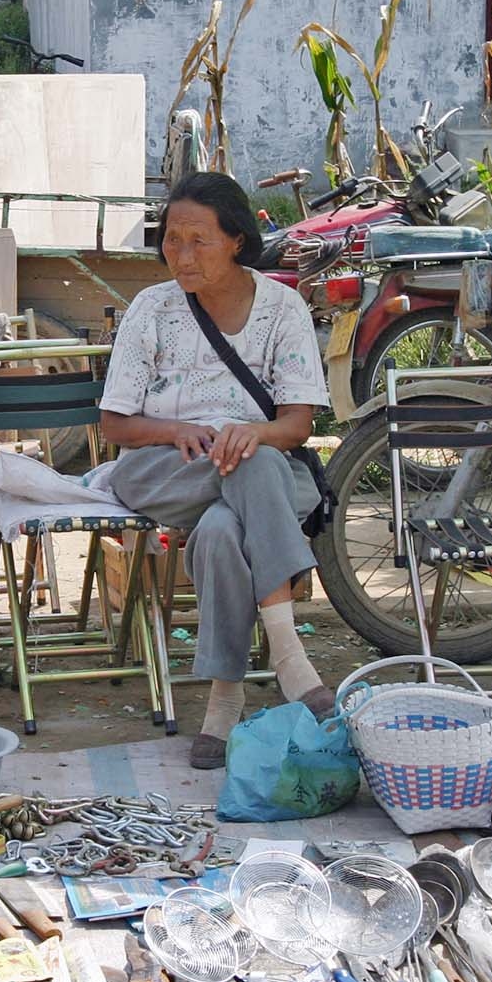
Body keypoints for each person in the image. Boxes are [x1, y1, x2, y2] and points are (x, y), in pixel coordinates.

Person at [99, 171, 333, 771]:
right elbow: (116, 426)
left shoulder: (283, 308)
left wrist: (249, 434)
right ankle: (289, 656)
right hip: (164, 471)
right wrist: (177, 430)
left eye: (198, 239)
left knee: (225, 530)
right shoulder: (151, 310)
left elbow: (297, 425)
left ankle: (223, 703)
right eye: (172, 240)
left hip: (264, 468)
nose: (181, 254)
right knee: (251, 475)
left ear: (236, 239)